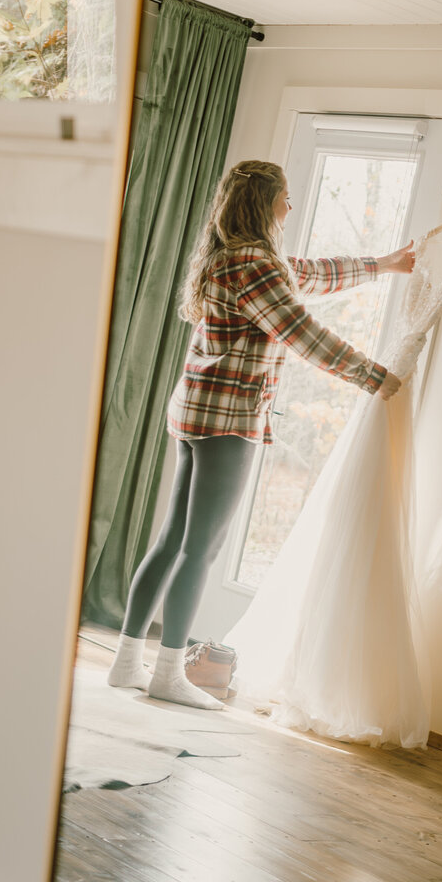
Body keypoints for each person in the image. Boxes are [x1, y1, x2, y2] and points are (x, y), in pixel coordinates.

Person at [106, 158, 414, 707]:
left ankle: (127, 662)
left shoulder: (234, 256)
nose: (291, 205)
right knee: (202, 547)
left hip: (195, 411)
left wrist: (384, 265)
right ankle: (169, 672)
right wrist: (373, 376)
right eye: (286, 196)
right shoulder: (257, 265)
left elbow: (314, 273)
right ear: (265, 201)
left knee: (173, 538)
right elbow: (302, 332)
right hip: (229, 419)